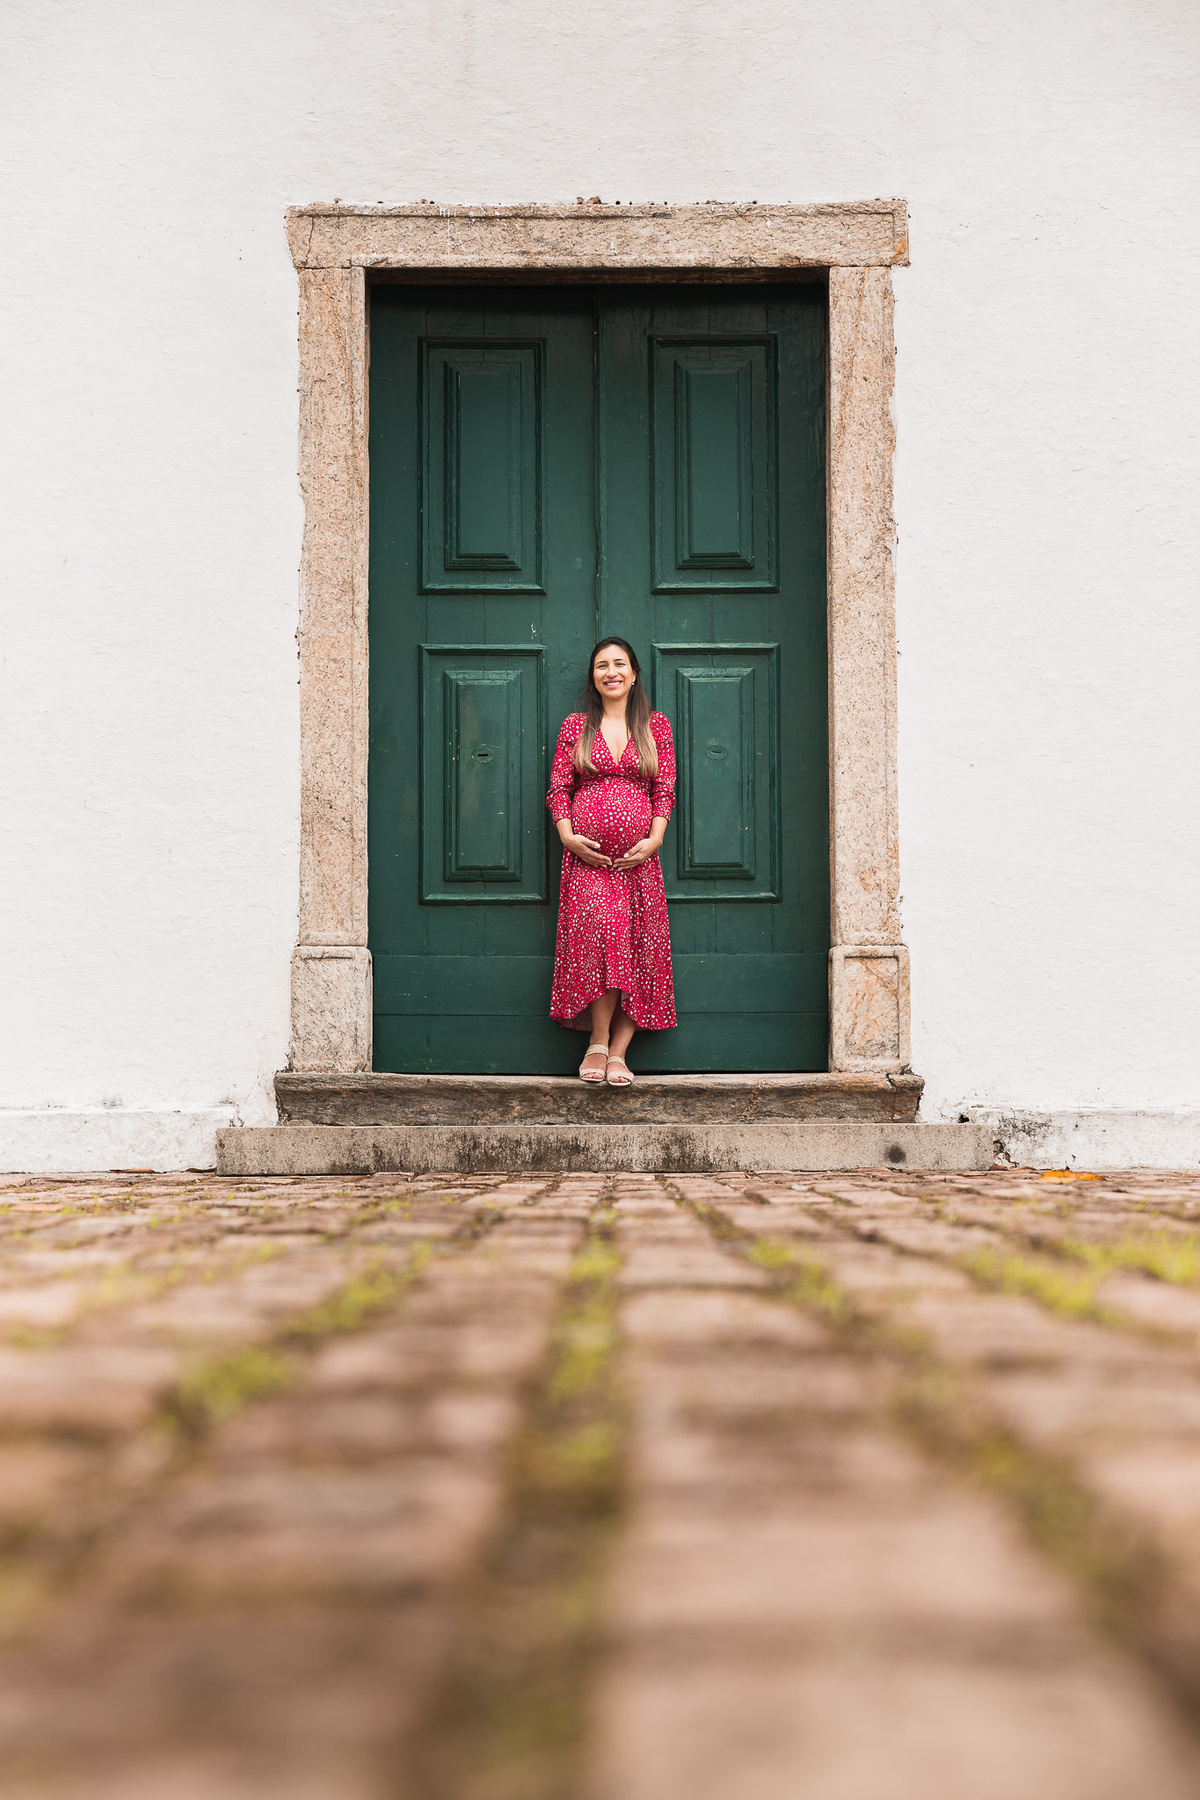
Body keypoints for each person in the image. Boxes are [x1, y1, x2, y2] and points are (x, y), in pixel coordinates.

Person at [546, 637, 676, 1086]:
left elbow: (665, 788)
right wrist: (568, 835)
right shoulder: (576, 725)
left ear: (634, 673)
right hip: (588, 859)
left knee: (637, 949)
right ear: (594, 677)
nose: (611, 672)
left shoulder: (655, 725)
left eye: (620, 664)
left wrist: (655, 837)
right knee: (602, 943)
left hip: (638, 860)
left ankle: (619, 1053)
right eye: (602, 665)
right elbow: (560, 786)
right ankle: (597, 1042)